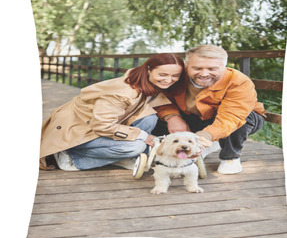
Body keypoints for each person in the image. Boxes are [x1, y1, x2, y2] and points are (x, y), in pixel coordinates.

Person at [39, 53, 187, 177]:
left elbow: (161, 103)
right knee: (136, 147)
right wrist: (142, 135)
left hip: (93, 126)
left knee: (149, 118)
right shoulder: (122, 92)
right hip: (75, 131)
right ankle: (70, 156)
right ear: (149, 69)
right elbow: (101, 125)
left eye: (175, 76)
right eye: (163, 74)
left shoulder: (140, 79)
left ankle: (117, 156)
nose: (169, 80)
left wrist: (173, 117)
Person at [153, 45, 266, 174]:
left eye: (212, 69)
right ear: (186, 65)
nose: (204, 74)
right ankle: (152, 151)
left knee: (243, 119)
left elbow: (231, 117)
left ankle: (230, 157)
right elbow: (161, 98)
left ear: (223, 67)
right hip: (192, 115)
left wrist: (204, 136)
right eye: (197, 68)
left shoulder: (239, 82)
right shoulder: (174, 74)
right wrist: (172, 117)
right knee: (153, 118)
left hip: (232, 117)